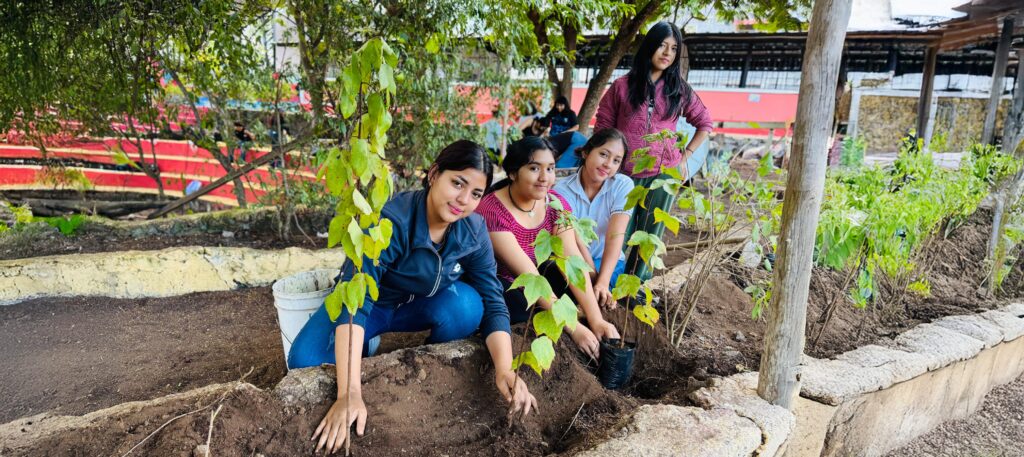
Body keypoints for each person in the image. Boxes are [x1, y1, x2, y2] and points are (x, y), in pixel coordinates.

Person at [288, 141, 537, 454]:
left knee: (467, 306)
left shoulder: (473, 231)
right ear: (434, 174)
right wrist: (348, 393)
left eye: (475, 193)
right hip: (374, 306)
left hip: (418, 306)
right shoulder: (390, 222)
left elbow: (493, 300)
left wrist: (504, 369)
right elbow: (357, 303)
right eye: (457, 183)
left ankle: (431, 365)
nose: (463, 200)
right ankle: (365, 342)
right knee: (303, 360)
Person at [475, 137, 621, 361]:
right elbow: (528, 275)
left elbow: (571, 259)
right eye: (534, 168)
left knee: (578, 286)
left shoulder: (555, 203)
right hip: (506, 283)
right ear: (513, 173)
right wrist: (574, 328)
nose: (545, 178)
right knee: (522, 306)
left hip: (540, 275)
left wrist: (596, 319)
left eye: (551, 169)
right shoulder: (492, 211)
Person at [595, 21, 713, 282]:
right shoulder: (622, 86)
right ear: (650, 46)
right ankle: (607, 284)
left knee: (650, 235)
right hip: (624, 174)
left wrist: (685, 158)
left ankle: (636, 289)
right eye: (661, 45)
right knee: (617, 233)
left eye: (673, 48)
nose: (667, 53)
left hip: (663, 174)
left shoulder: (679, 90)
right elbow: (603, 125)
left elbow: (705, 124)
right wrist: (605, 162)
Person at [553, 129, 633, 308]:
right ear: (586, 152)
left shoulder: (622, 186)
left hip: (609, 262)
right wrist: (592, 277)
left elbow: (615, 235)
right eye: (603, 154)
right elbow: (573, 242)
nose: (608, 164)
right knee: (575, 292)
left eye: (616, 161)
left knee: (593, 295)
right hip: (574, 260)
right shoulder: (561, 191)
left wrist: (602, 281)